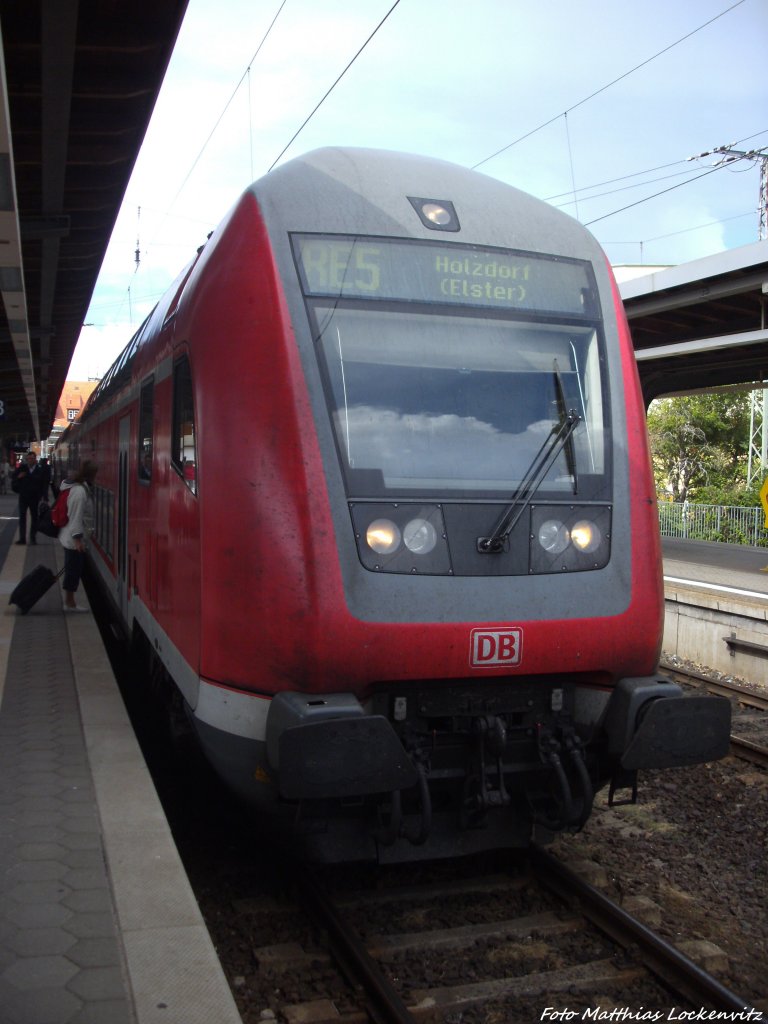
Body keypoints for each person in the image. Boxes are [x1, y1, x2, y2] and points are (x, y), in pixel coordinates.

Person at [57, 460, 98, 612]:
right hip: (73, 540)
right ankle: (69, 603)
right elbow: (75, 516)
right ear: (90, 475)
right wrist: (78, 539)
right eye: (95, 474)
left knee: (73, 570)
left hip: (72, 538)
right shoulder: (79, 492)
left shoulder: (79, 489)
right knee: (73, 571)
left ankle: (70, 601)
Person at [11, 451, 47, 544]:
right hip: (23, 496)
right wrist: (19, 477)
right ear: (27, 459)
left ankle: (33, 538)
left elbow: (44, 484)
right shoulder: (22, 468)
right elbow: (14, 477)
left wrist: (44, 497)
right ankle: (22, 538)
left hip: (34, 497)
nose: (30, 460)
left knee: (34, 517)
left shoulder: (40, 470)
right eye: (29, 459)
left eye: (32, 459)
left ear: (35, 460)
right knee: (22, 517)